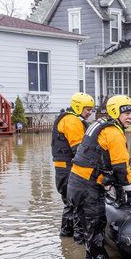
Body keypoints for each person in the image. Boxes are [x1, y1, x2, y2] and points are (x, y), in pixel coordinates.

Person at [67, 95, 131, 259]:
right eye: (126, 113)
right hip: (87, 187)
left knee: (88, 228)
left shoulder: (99, 124)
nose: (130, 117)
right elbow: (122, 167)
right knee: (97, 225)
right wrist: (130, 194)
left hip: (75, 183)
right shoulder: (113, 132)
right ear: (115, 112)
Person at [51, 92, 94, 243]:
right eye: (87, 109)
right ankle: (79, 239)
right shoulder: (72, 121)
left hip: (63, 168)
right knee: (77, 202)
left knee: (69, 203)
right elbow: (79, 150)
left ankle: (66, 237)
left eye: (91, 109)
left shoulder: (69, 118)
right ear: (78, 107)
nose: (90, 112)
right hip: (69, 168)